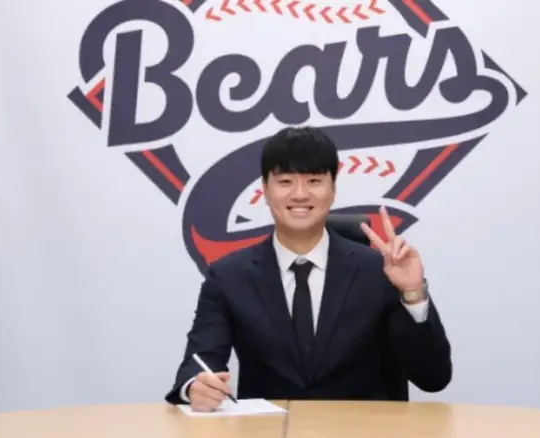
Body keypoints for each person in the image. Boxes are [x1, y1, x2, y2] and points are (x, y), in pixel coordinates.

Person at [165, 126, 452, 411]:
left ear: (333, 188)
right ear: (265, 189)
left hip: (361, 429)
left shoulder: (380, 272)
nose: (300, 194)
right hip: (267, 430)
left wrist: (413, 293)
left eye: (314, 180)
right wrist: (195, 387)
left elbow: (433, 378)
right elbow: (199, 361)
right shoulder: (228, 276)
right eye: (285, 181)